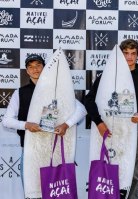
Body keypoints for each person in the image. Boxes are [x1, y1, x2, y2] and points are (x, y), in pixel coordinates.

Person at [2, 54, 87, 186]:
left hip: (55, 149)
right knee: (32, 192)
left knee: (55, 192)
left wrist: (66, 125)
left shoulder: (57, 91)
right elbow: (6, 120)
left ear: (44, 67)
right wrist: (26, 125)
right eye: (31, 67)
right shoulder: (20, 93)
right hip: (30, 149)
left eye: (38, 65)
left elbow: (81, 110)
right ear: (27, 71)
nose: (35, 69)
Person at [84, 39, 138, 199]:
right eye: (125, 53)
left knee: (132, 171)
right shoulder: (108, 75)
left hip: (135, 131)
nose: (129, 57)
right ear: (120, 55)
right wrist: (98, 122)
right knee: (107, 169)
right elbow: (89, 100)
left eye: (133, 54)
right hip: (110, 130)